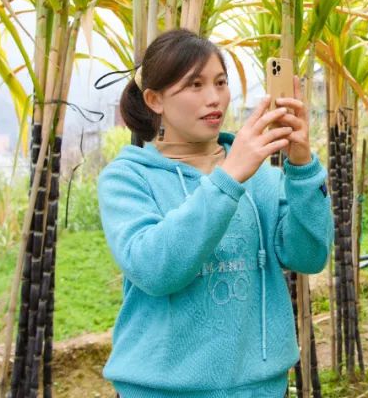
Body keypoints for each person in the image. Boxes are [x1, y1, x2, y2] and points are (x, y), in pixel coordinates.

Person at [97, 29, 333, 397]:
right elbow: (155, 270)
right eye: (195, 85)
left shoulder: (262, 177)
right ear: (154, 99)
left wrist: (302, 166)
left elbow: (309, 256)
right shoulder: (127, 178)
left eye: (220, 83)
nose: (214, 98)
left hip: (261, 389)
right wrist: (229, 178)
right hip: (160, 390)